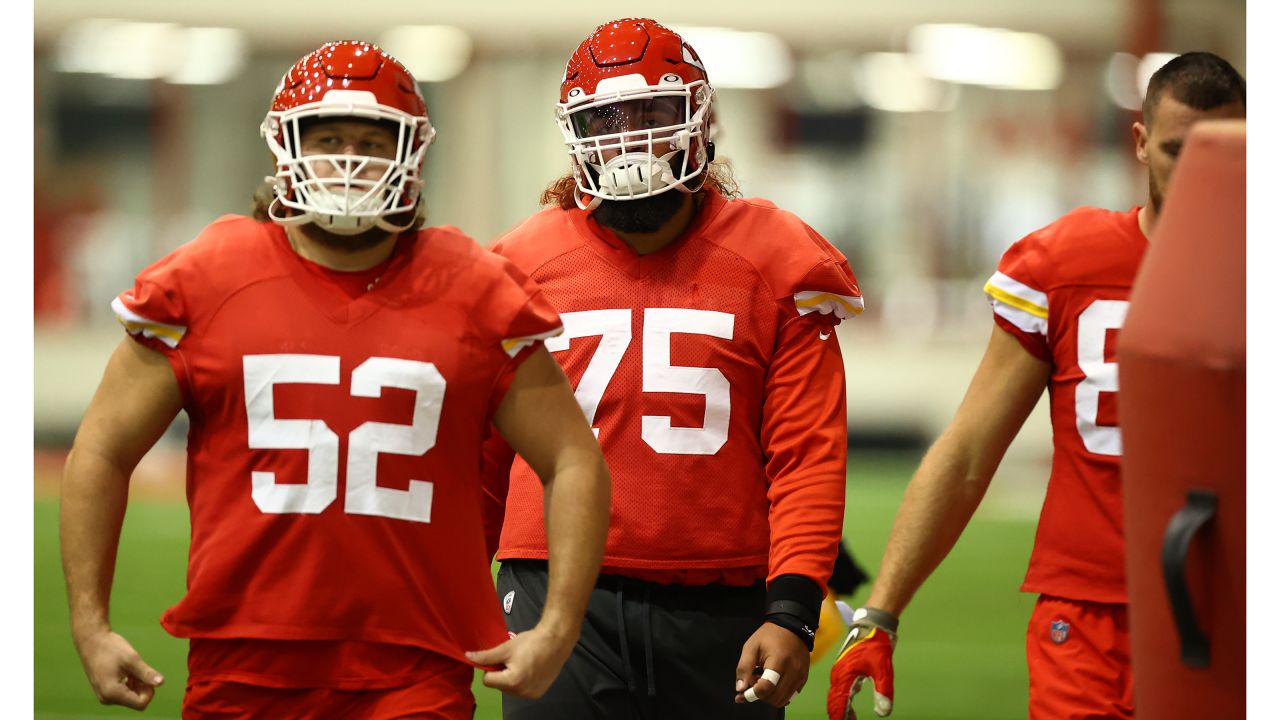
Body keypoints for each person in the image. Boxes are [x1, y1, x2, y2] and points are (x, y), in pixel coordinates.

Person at [60, 40, 611, 719]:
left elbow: (572, 457)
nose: (349, 160)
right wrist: (89, 624)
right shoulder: (207, 277)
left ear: (410, 153)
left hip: (417, 669)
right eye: (328, 138)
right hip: (243, 668)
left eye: (371, 142)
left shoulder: (471, 285)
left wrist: (559, 627)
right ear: (285, 147)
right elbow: (101, 449)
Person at [826, 52, 1245, 720]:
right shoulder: (1068, 264)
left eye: (1214, 151)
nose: (1194, 173)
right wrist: (881, 612)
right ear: (1140, 144)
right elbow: (967, 453)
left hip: (1237, 606)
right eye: (1175, 150)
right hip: (1087, 618)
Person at [478, 17, 864, 719]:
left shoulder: (775, 255)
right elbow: (481, 454)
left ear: (700, 120)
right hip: (553, 589)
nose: (630, 139)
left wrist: (795, 606)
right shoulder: (517, 266)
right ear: (575, 133)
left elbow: (806, 453)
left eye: (653, 113)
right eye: (607, 119)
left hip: (723, 599)